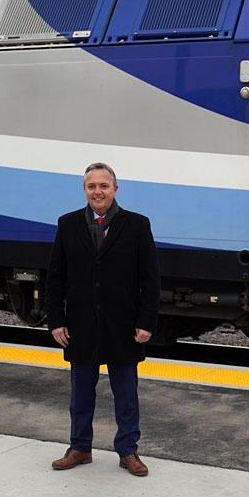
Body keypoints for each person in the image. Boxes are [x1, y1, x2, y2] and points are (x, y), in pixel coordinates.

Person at [47, 162, 160, 476]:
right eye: (91, 186)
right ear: (85, 190)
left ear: (115, 189)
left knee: (126, 395)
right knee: (80, 393)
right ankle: (79, 447)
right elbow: (56, 277)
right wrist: (56, 320)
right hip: (80, 326)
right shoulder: (67, 224)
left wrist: (146, 321)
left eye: (103, 186)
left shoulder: (137, 225)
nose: (97, 191)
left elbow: (150, 278)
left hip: (123, 326)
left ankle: (128, 451)